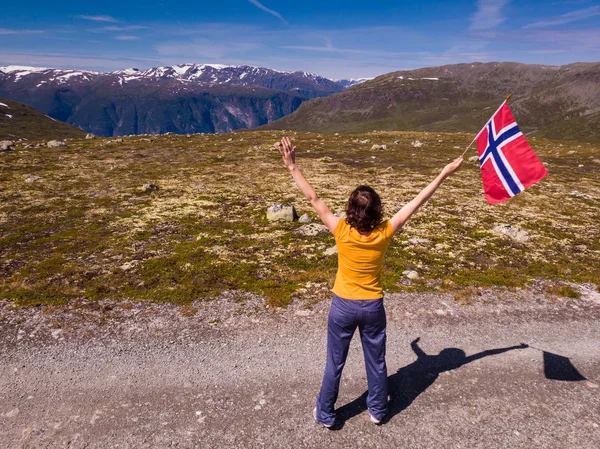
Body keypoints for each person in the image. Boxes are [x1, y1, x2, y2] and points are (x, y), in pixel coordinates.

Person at [277, 136, 463, 427]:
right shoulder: (385, 232)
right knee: (376, 362)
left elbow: (313, 198)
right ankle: (377, 410)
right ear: (377, 212)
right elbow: (417, 202)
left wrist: (292, 166)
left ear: (350, 209)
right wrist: (443, 173)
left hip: (342, 306)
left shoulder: (340, 230)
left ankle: (326, 413)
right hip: (373, 306)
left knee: (334, 363)